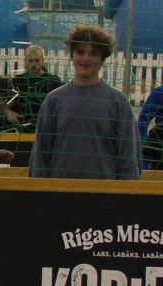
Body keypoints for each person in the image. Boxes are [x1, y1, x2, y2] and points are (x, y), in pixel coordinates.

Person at [30, 24, 138, 179]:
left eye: (93, 53)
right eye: (80, 52)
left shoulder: (119, 102)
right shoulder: (53, 101)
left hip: (105, 192)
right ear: (72, 55)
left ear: (102, 59)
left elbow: (129, 159)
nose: (86, 58)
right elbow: (40, 156)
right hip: (59, 191)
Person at [9, 42, 62, 125]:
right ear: (25, 61)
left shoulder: (53, 81)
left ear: (42, 61)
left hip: (47, 125)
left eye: (37, 60)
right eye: (30, 61)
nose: (33, 64)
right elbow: (5, 104)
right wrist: (8, 112)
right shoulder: (17, 81)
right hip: (22, 126)